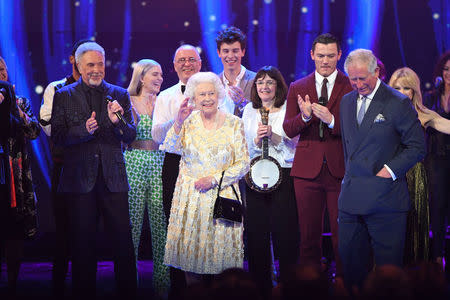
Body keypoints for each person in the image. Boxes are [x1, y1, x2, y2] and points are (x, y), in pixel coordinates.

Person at [50, 42, 137, 298]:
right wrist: (83, 131)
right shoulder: (64, 94)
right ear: (78, 66)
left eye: (100, 64)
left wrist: (117, 122)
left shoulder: (119, 93)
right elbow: (58, 136)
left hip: (114, 180)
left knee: (123, 243)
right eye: (91, 65)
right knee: (82, 245)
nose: (97, 69)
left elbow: (130, 134)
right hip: (79, 182)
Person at [338, 48, 426, 291]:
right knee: (352, 269)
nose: (357, 84)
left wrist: (389, 170)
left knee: (388, 277)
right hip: (351, 201)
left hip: (385, 200)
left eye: (362, 78)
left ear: (376, 72)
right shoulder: (346, 102)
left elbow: (417, 146)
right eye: (352, 79)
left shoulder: (397, 102)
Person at [152, 45, 232, 298]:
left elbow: (229, 129)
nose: (187, 64)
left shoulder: (219, 92)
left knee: (213, 226)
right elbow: (156, 136)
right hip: (177, 164)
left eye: (191, 59)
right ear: (174, 65)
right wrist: (178, 120)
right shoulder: (166, 96)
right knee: (178, 228)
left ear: (200, 62)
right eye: (181, 60)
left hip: (212, 165)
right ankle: (181, 290)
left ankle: (215, 288)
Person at [162, 72, 249, 279]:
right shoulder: (187, 122)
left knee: (224, 265)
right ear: (194, 98)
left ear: (219, 95)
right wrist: (178, 122)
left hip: (224, 197)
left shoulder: (234, 123)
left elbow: (244, 163)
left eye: (211, 93)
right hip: (190, 198)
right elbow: (170, 148)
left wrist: (214, 179)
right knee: (191, 263)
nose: (207, 98)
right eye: (202, 95)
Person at [283, 33, 352, 275]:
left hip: (340, 170)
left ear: (339, 55)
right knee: (308, 235)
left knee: (342, 234)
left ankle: (344, 283)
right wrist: (304, 117)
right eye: (320, 56)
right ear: (312, 55)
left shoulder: (350, 85)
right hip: (306, 171)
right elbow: (288, 129)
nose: (325, 61)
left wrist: (332, 120)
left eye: (330, 56)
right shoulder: (298, 87)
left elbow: (359, 129)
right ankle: (309, 285)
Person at [38, 38, 90, 296]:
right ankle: (58, 284)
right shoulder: (56, 88)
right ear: (73, 60)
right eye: (82, 57)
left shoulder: (103, 89)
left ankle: (86, 282)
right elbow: (47, 128)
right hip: (65, 166)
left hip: (94, 167)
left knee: (89, 227)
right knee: (64, 228)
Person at [242, 66, 299, 298]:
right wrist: (256, 139)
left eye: (270, 82)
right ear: (255, 87)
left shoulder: (288, 108)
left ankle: (288, 284)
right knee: (256, 233)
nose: (264, 86)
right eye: (260, 82)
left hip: (284, 174)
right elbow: (243, 145)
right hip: (255, 176)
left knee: (285, 232)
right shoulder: (248, 110)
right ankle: (260, 285)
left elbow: (296, 145)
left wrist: (274, 137)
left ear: (278, 86)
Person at [124, 59, 170, 296]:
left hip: (160, 164)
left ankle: (163, 285)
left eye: (161, 74)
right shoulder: (127, 100)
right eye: (155, 74)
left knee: (161, 226)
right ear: (141, 77)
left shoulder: (164, 102)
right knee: (132, 225)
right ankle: (129, 284)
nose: (160, 78)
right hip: (134, 162)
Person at [0, 59, 40, 296]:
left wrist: (14, 108)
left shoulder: (21, 102)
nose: (1, 74)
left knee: (14, 230)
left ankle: (13, 283)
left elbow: (34, 131)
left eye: (3, 70)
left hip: (14, 178)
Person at [388, 67, 430, 265]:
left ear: (414, 91)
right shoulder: (383, 113)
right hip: (391, 174)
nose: (402, 92)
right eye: (397, 87)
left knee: (414, 224)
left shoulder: (423, 115)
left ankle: (414, 277)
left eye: (407, 88)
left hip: (415, 175)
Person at [422, 50, 450, 269]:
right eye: (446, 69)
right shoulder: (430, 97)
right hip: (436, 159)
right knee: (437, 207)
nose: (449, 73)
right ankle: (437, 256)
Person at [216, 26, 256, 117]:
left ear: (243, 52)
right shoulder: (213, 83)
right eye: (226, 51)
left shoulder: (257, 80)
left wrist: (243, 103)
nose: (230, 56)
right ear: (219, 53)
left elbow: (265, 113)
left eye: (235, 51)